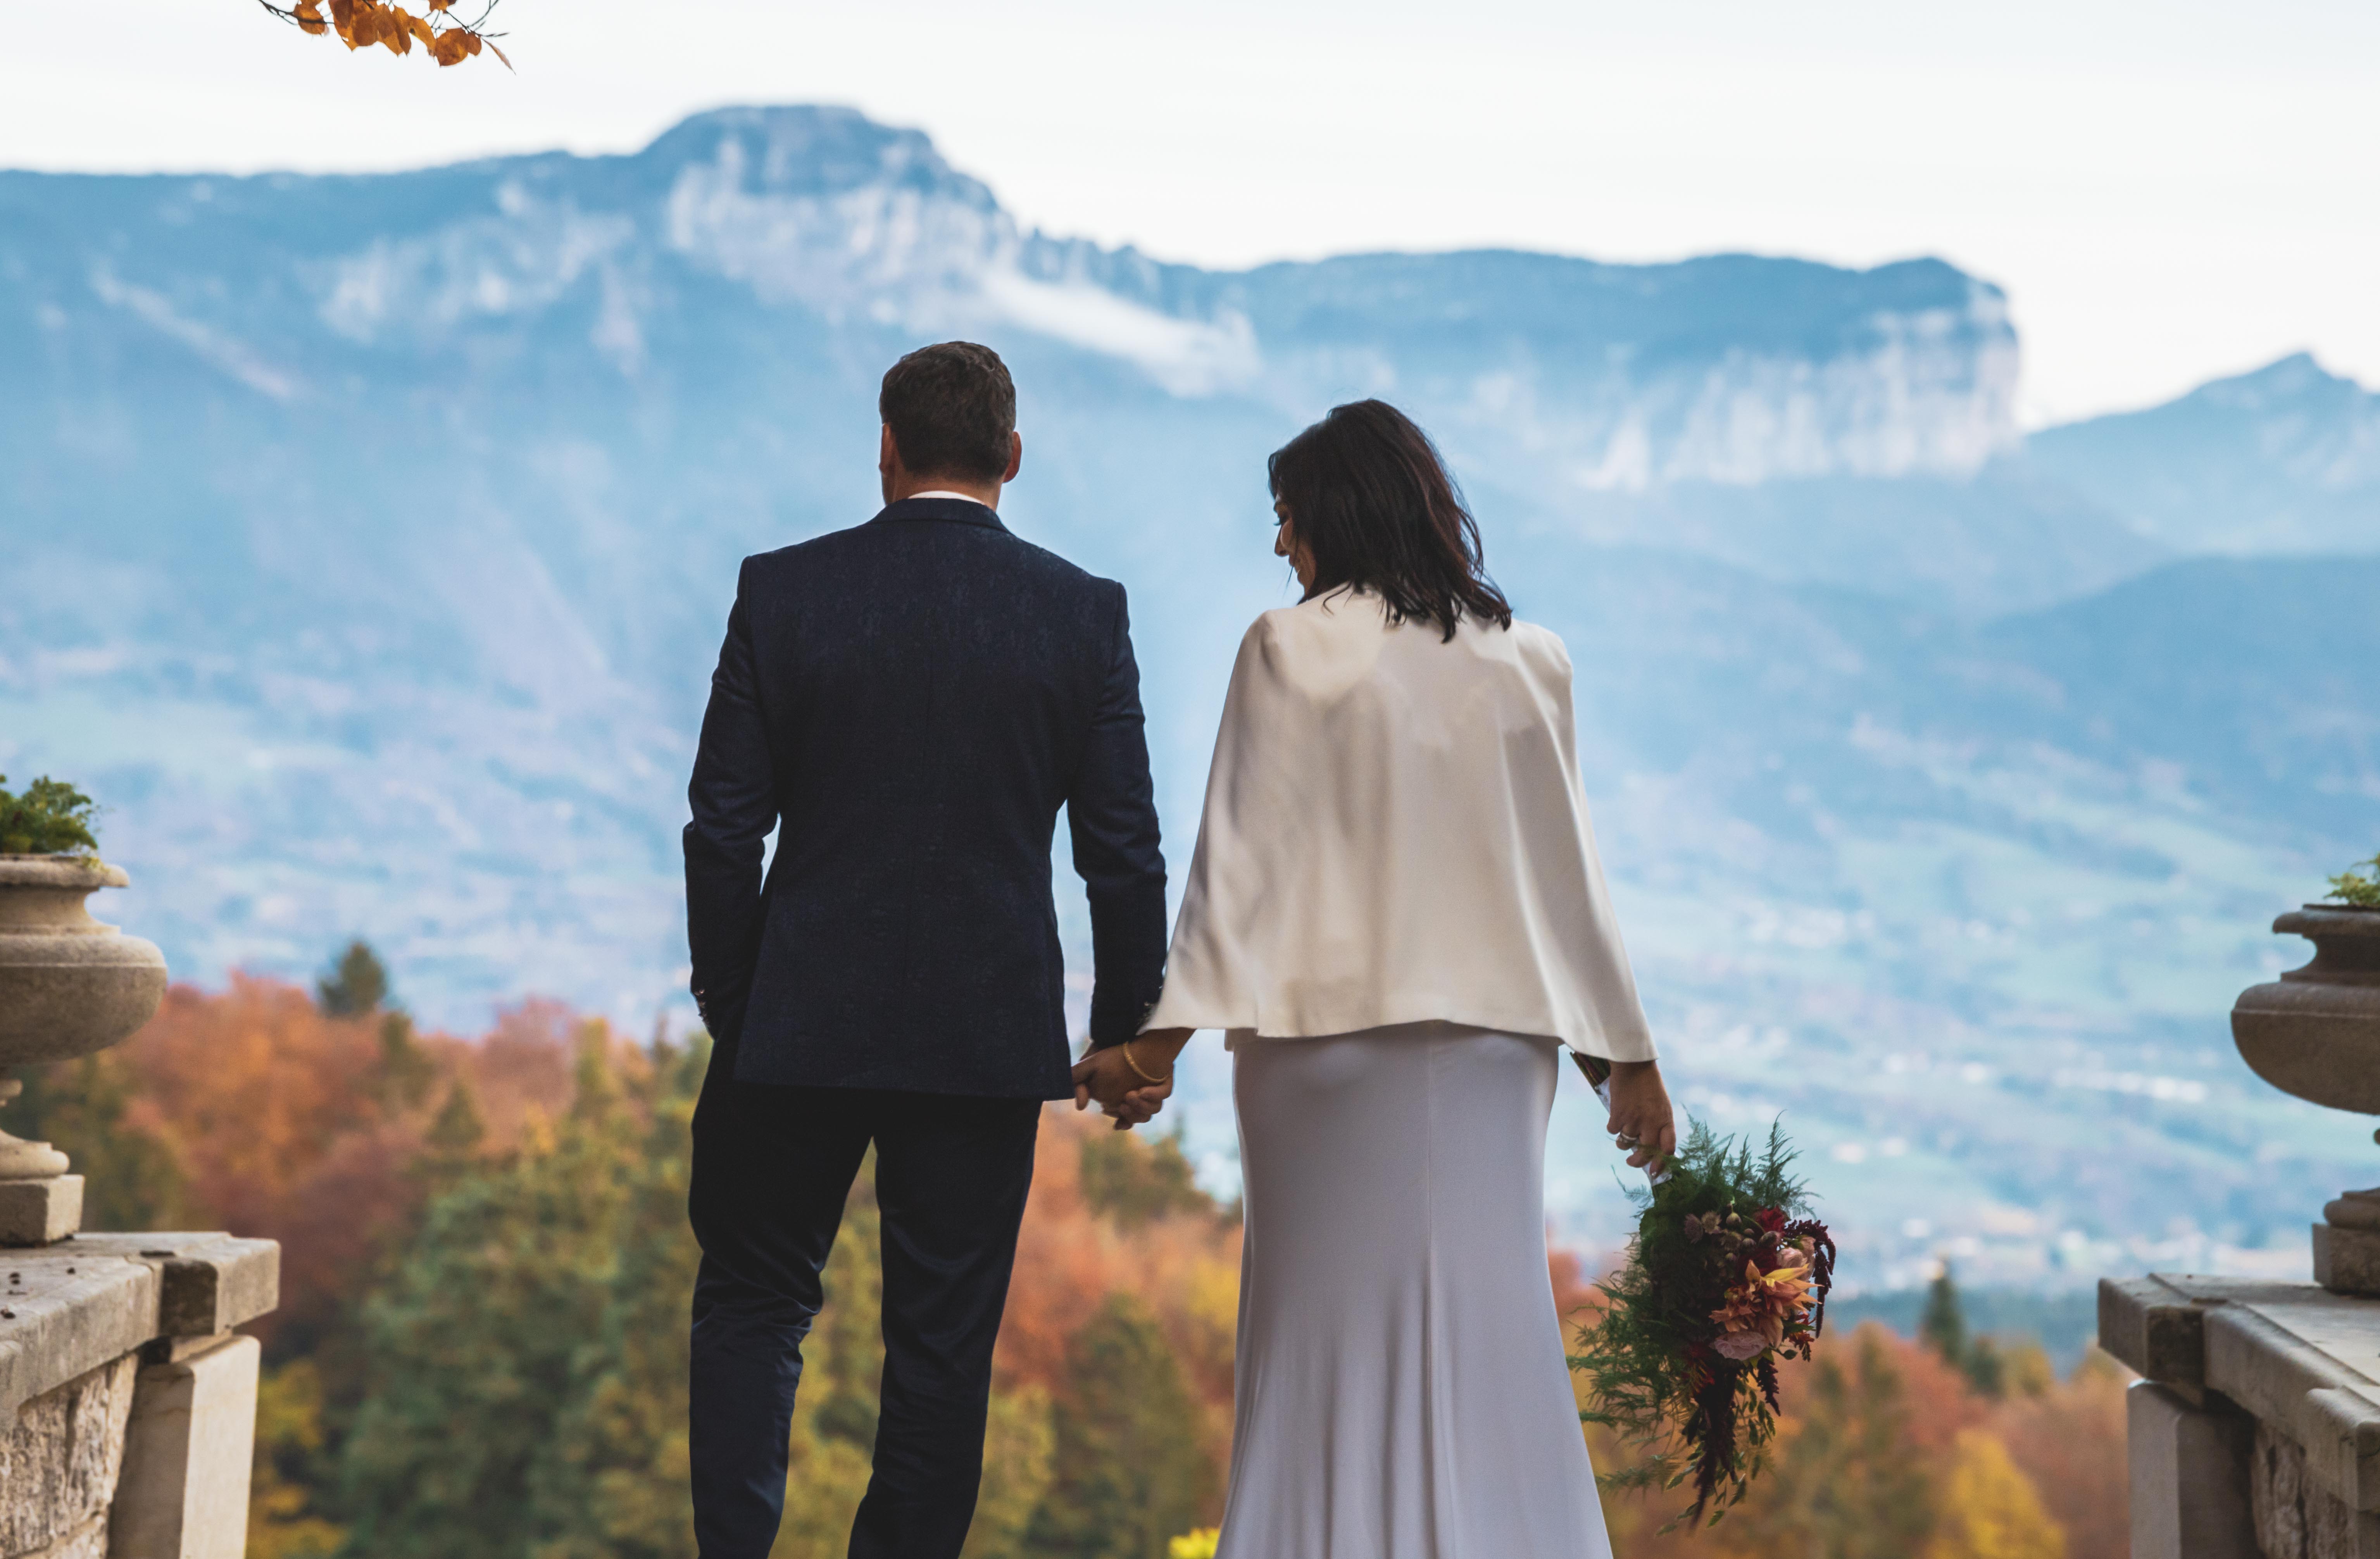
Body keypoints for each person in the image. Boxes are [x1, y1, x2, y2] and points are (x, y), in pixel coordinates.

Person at [1074, 399, 1677, 1559]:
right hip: (1501, 1059)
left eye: (1285, 515)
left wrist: (1154, 1049)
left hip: (1325, 1058)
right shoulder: (1530, 661)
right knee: (1492, 1337)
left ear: (1332, 514)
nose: (1278, 544)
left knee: (1321, 1347)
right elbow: (1566, 879)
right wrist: (1625, 1062)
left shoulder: (1289, 646)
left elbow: (1236, 867)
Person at [682, 341, 1168, 1559]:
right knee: (942, 1353)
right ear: (1012, 456)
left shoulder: (782, 592)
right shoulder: (1082, 613)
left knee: (752, 1305)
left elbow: (722, 826)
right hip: (983, 1033)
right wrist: (1123, 1034)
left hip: (791, 1021)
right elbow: (1124, 850)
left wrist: (736, 1000)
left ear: (886, 449)